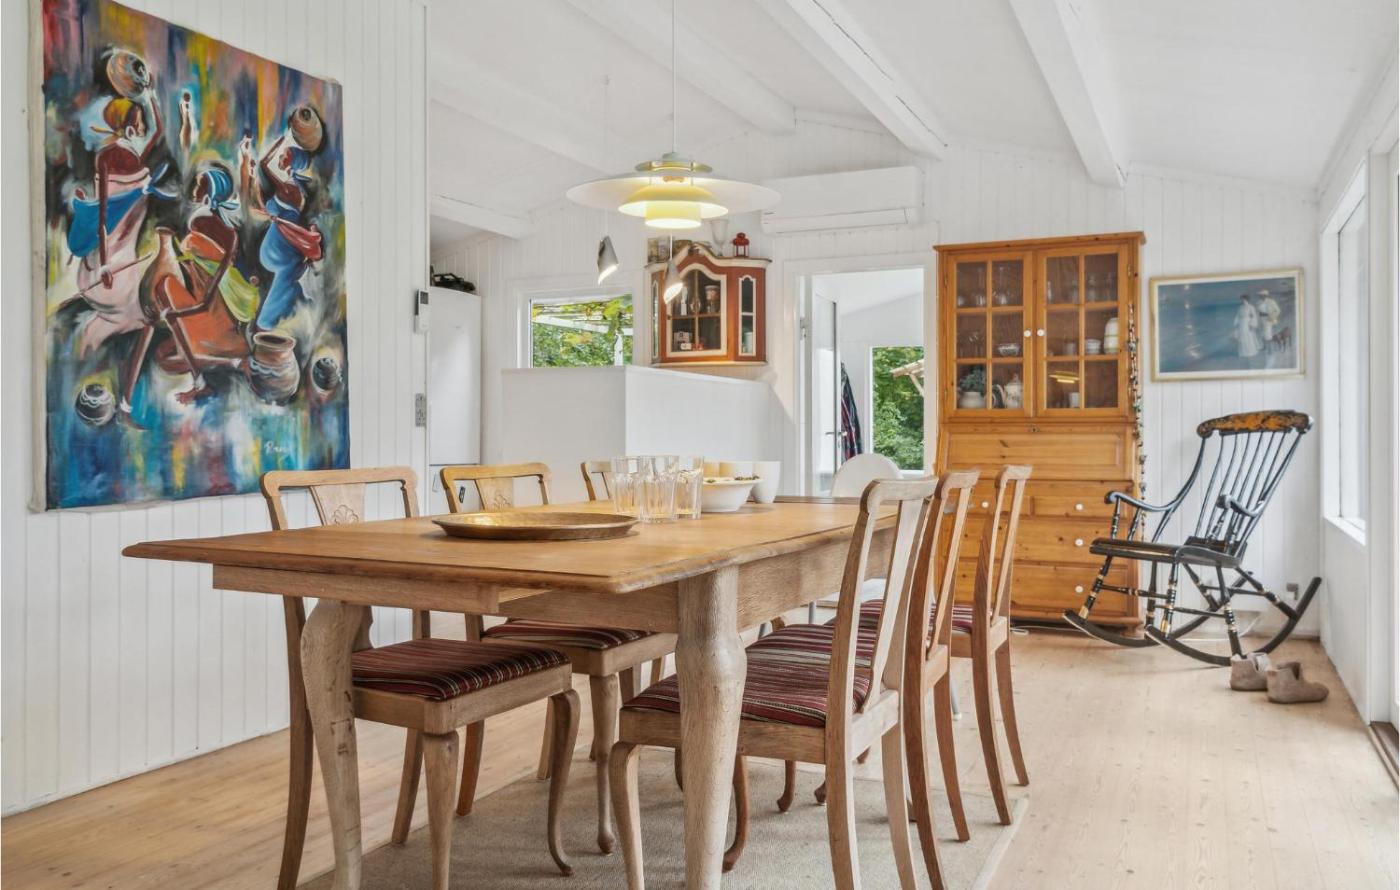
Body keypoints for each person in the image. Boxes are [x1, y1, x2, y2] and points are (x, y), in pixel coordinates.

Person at [253, 105, 326, 331]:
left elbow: (264, 164)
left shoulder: (288, 189)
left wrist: (284, 138)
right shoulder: (295, 186)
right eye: (284, 154)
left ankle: (268, 321)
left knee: (288, 274)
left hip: (280, 244)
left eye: (286, 156)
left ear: (293, 164)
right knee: (290, 275)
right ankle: (287, 308)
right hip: (280, 241)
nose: (282, 158)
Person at [1232, 294, 1263, 360]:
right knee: (1242, 337)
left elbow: (1254, 316)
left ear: (1247, 300)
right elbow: (1237, 316)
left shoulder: (1251, 307)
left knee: (1248, 337)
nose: (1242, 301)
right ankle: (1243, 353)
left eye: (1243, 299)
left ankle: (1250, 352)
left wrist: (1252, 324)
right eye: (1241, 299)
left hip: (1247, 323)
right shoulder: (1240, 307)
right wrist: (1236, 323)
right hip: (1241, 324)